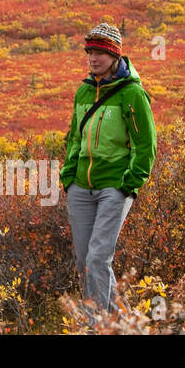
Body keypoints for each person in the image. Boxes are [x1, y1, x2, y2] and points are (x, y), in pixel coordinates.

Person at [60, 22, 157, 309]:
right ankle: (118, 325)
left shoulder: (133, 94)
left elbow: (146, 145)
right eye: (89, 51)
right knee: (83, 262)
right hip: (81, 188)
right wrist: (69, 176)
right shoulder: (84, 92)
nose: (93, 58)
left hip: (114, 188)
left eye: (100, 52)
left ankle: (98, 327)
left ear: (115, 56)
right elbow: (75, 136)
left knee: (98, 258)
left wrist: (129, 184)